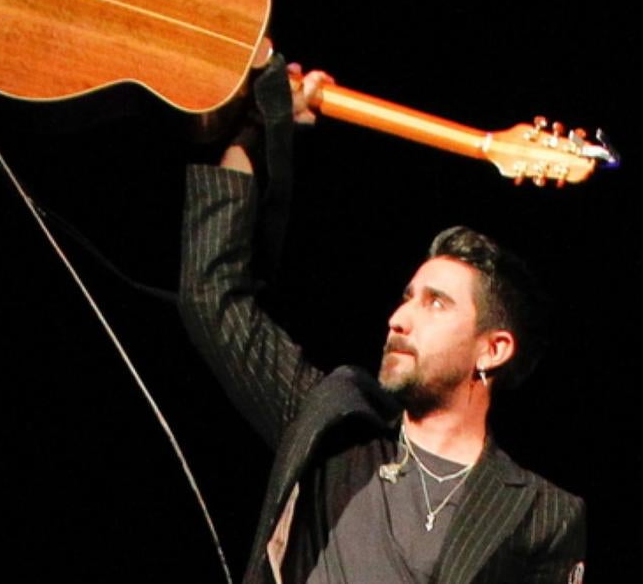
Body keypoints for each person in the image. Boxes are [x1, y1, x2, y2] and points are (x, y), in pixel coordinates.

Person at [177, 63, 586, 584]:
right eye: (406, 298)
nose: (399, 319)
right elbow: (211, 294)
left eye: (436, 304)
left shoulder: (542, 515)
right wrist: (255, 128)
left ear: (493, 349)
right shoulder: (334, 422)